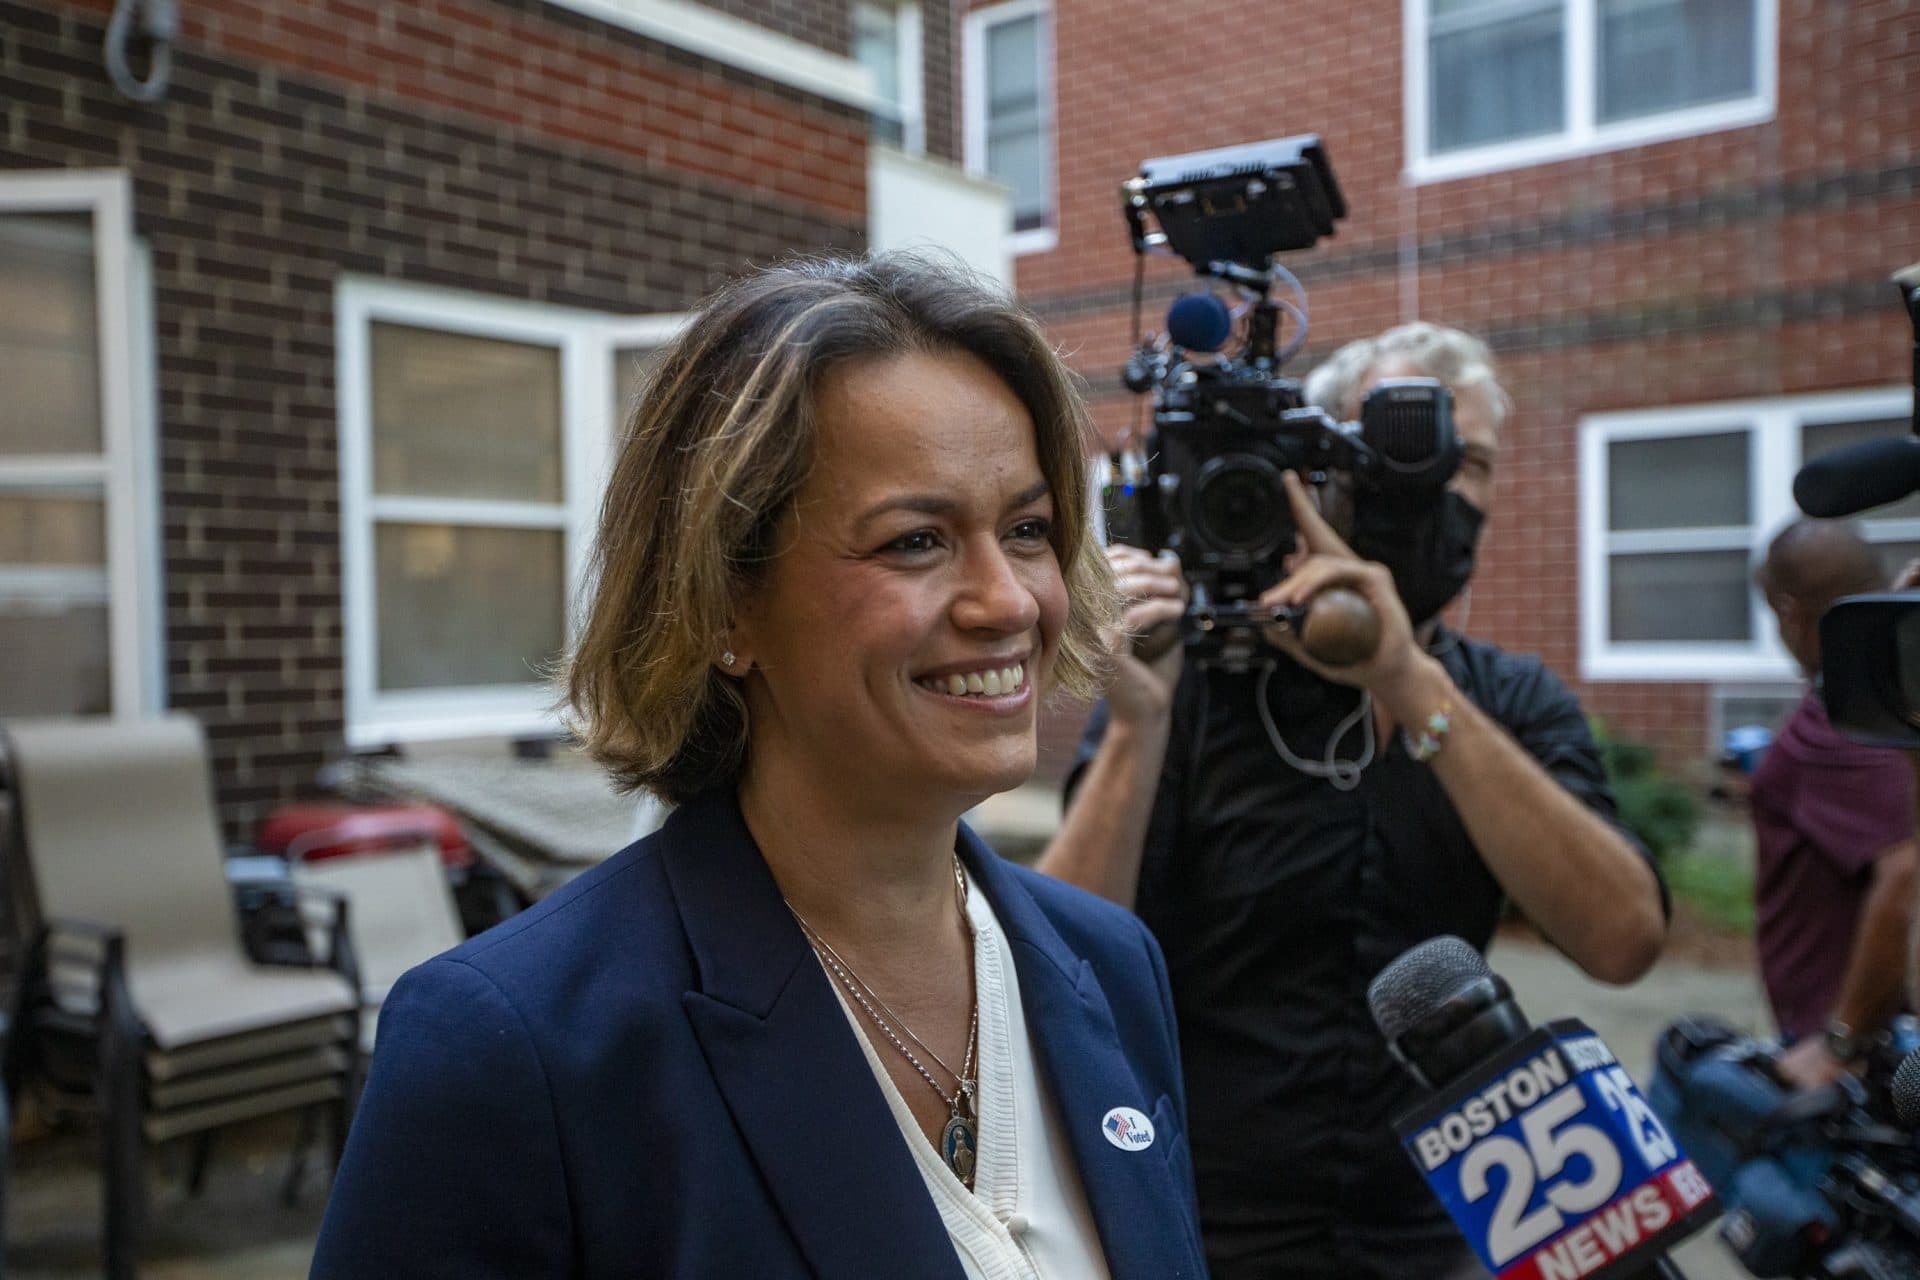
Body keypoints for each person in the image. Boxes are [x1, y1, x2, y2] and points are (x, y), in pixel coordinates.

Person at [310, 255, 1208, 1279]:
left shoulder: (1113, 967)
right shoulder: (516, 1048)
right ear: (726, 603)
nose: (1006, 600)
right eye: (917, 539)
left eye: (1029, 529)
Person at [1037, 322, 1667, 1279]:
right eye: (1404, 446)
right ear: (1316, 470)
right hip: (1205, 1215)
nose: (1440, 486)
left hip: (1446, 1222)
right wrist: (1134, 723)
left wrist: (1408, 680)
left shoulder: (1510, 700)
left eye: (1472, 462)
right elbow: (1056, 976)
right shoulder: (1187, 688)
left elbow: (1621, 940)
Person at [1750, 518, 1917, 1089]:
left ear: (1791, 612)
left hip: (1853, 1057)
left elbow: (1907, 871)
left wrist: (1842, 1042)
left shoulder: (1844, 724)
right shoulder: (1887, 702)